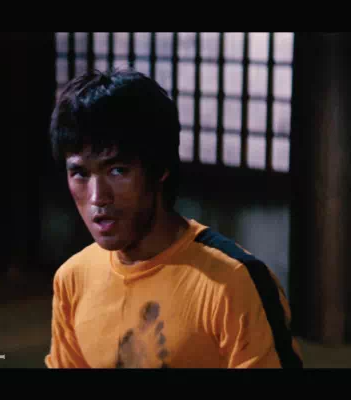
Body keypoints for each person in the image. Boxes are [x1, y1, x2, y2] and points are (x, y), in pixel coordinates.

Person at [43, 69, 303, 369]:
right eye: (80, 173)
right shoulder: (73, 278)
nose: (97, 197)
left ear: (160, 168)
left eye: (118, 171)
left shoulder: (233, 282)